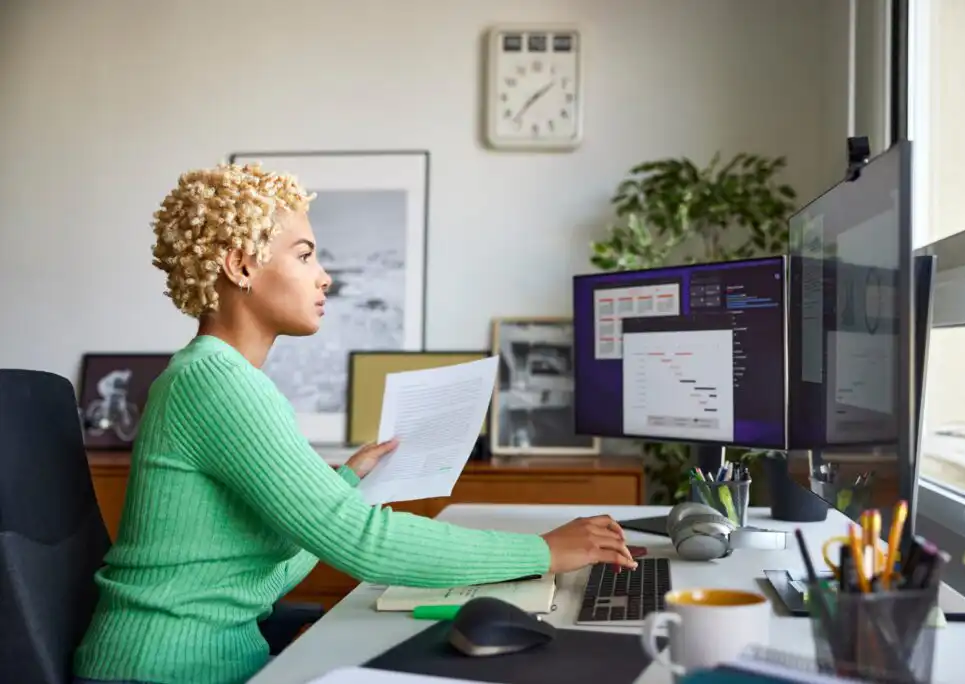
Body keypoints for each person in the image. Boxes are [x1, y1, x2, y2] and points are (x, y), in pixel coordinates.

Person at [72, 162, 636, 684]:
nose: (325, 279)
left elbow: (257, 575)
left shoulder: (215, 376)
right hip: (156, 671)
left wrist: (342, 484)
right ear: (241, 265)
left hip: (191, 663)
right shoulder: (216, 382)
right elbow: (360, 544)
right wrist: (543, 552)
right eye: (304, 255)